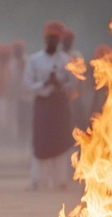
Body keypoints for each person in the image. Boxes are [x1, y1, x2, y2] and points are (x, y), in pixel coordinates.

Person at [23, 20, 75, 190]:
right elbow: (28, 82)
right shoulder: (34, 59)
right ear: (45, 39)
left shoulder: (66, 60)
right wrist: (44, 83)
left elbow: (72, 83)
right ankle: (37, 180)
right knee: (41, 141)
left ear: (59, 40)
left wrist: (58, 84)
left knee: (59, 142)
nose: (52, 41)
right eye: (49, 38)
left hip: (59, 104)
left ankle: (60, 181)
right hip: (43, 104)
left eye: (55, 38)